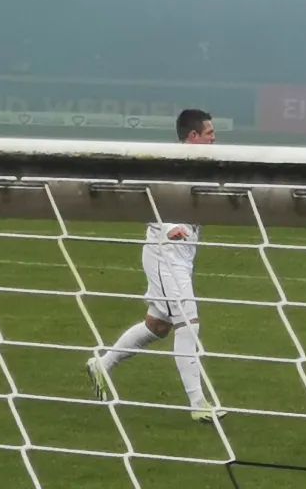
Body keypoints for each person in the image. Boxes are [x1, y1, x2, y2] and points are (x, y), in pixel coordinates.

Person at [85, 109, 223, 422]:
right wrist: (168, 226)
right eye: (210, 133)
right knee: (189, 323)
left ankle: (101, 366)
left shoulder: (206, 165)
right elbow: (144, 198)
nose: (215, 138)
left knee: (158, 326)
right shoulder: (169, 163)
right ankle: (198, 404)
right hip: (165, 252)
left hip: (184, 254)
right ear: (193, 137)